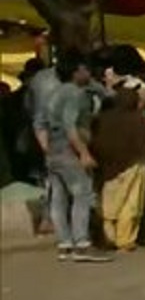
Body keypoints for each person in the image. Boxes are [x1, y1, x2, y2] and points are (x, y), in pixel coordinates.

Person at [43, 51, 110, 262]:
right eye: (85, 69)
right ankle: (82, 243)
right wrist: (84, 152)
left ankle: (65, 243)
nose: (88, 73)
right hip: (68, 149)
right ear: (76, 71)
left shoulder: (54, 92)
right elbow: (70, 125)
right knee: (82, 194)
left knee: (59, 198)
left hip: (53, 149)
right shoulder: (74, 93)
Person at [91, 87, 145, 252]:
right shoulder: (137, 118)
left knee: (110, 202)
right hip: (134, 165)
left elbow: (95, 142)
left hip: (108, 167)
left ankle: (108, 237)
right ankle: (125, 239)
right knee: (131, 203)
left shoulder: (102, 118)